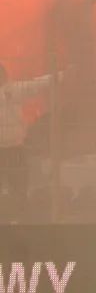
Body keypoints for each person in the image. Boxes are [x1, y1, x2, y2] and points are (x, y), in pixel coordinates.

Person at [0, 64, 60, 207]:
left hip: (15, 148)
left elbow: (38, 83)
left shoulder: (15, 90)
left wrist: (61, 75)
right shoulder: (15, 90)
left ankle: (20, 217)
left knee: (19, 188)